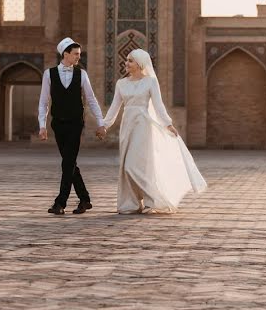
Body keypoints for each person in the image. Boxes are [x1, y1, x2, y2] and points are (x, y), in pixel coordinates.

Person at [98, 49, 207, 214]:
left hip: (143, 126)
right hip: (127, 127)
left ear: (140, 64)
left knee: (133, 166)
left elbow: (158, 105)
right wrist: (104, 125)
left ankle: (155, 198)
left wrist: (168, 124)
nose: (126, 63)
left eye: (130, 61)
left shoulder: (150, 82)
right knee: (127, 166)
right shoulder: (122, 84)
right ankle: (133, 203)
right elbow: (115, 107)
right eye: (126, 60)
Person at [38, 37, 106, 215]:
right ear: (65, 54)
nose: (78, 57)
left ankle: (60, 203)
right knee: (70, 163)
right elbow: (44, 101)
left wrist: (101, 123)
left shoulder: (81, 74)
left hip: (76, 123)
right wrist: (42, 125)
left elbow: (91, 99)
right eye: (75, 54)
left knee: (67, 162)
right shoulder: (49, 74)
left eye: (79, 54)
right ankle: (84, 199)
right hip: (58, 124)